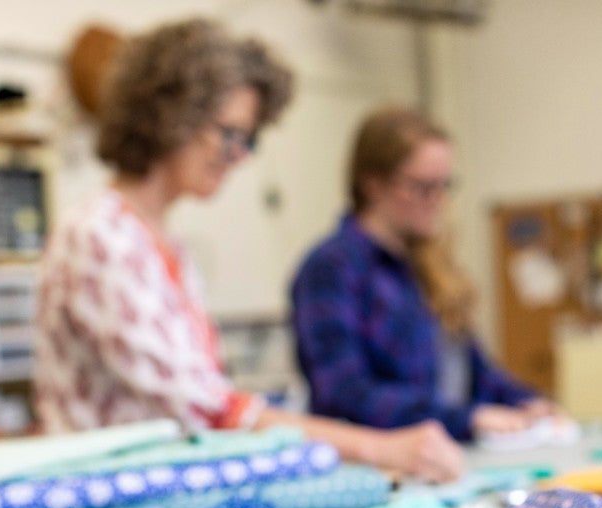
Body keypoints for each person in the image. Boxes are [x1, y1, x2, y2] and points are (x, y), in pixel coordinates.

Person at [34, 20, 462, 482]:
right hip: (99, 500)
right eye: (230, 134)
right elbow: (210, 409)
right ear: (171, 114)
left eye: (248, 140)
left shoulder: (165, 244)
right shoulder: (100, 235)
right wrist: (380, 448)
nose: (239, 155)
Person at [290, 106, 560, 442]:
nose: (439, 200)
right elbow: (344, 392)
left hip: (447, 454)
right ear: (373, 185)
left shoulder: (426, 264)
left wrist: (526, 402)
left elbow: (475, 372)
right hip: (382, 469)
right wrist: (464, 418)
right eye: (422, 187)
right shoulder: (331, 268)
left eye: (445, 185)